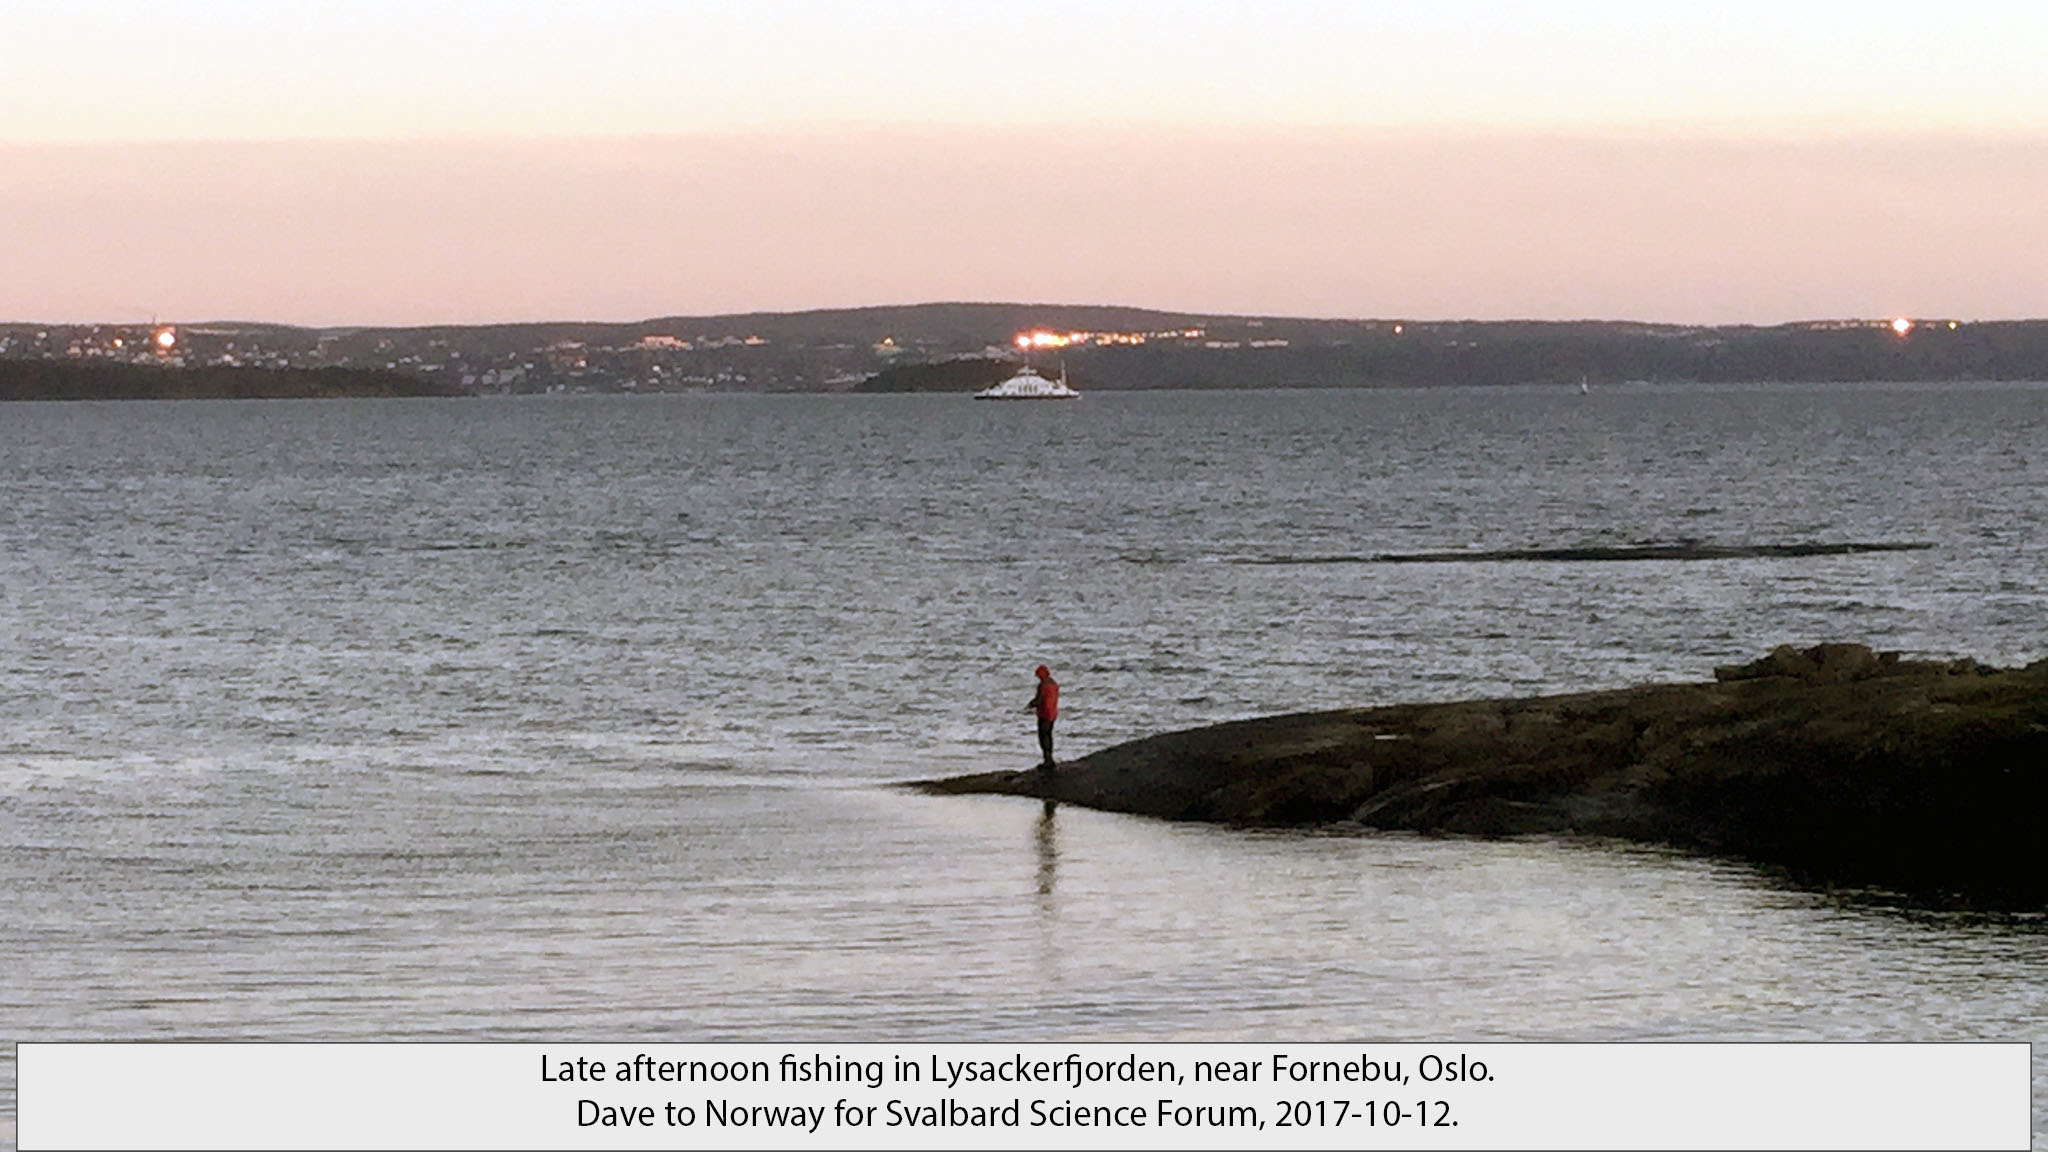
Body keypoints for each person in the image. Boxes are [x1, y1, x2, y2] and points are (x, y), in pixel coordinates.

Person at [1025, 664, 1059, 768]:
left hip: (1044, 714)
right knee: (1048, 736)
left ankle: (1047, 760)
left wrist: (1031, 704)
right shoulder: (1054, 684)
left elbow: (1039, 700)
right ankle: (1050, 758)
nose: (1038, 677)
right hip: (1052, 714)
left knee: (1043, 737)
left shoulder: (1043, 686)